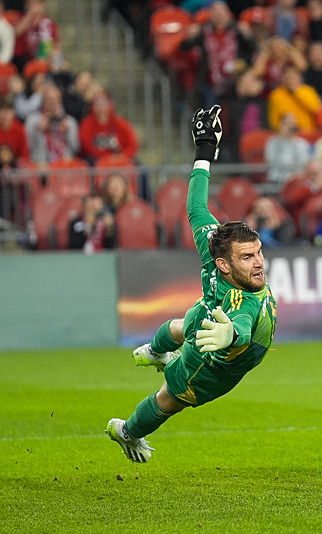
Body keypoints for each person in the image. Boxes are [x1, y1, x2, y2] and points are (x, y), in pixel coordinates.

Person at [105, 105, 278, 463]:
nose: (259, 262)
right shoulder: (244, 302)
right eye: (248, 258)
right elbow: (242, 327)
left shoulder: (213, 242)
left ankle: (153, 351)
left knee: (185, 325)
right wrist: (231, 336)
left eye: (258, 252)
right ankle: (126, 431)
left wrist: (203, 152)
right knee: (171, 397)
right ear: (224, 265)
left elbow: (196, 205)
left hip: (207, 312)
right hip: (215, 360)